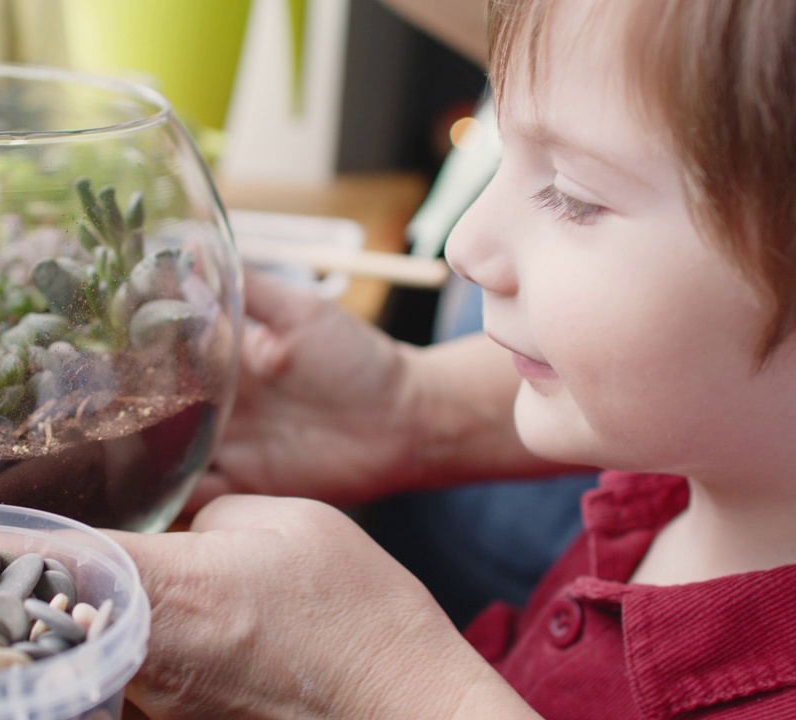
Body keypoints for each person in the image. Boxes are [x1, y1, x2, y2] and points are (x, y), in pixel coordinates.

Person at [106, 0, 796, 716]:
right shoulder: (679, 479)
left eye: (574, 196)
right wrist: (408, 403)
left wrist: (382, 684)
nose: (466, 246)